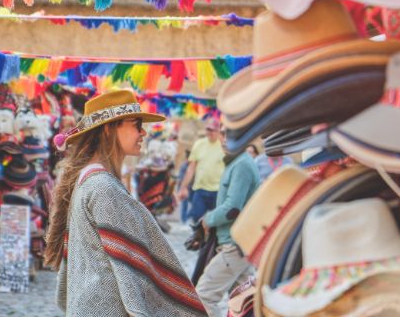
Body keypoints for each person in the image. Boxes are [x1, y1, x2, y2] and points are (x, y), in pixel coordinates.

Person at [45, 90, 206, 317]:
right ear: (110, 128)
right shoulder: (104, 188)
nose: (143, 132)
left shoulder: (89, 180)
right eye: (136, 124)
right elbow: (129, 274)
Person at [196, 127, 261, 317]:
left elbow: (233, 208)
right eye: (222, 134)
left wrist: (208, 219)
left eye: (229, 134)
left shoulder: (241, 164)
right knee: (245, 300)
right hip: (238, 243)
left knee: (204, 296)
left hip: (235, 244)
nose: (223, 139)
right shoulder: (237, 163)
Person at [177, 119, 225, 223]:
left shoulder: (224, 146)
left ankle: (212, 239)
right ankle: (199, 239)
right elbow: (191, 168)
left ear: (219, 131)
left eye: (213, 130)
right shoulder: (199, 144)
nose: (210, 132)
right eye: (208, 129)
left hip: (218, 191)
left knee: (215, 223)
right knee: (196, 219)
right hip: (200, 189)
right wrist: (183, 187)